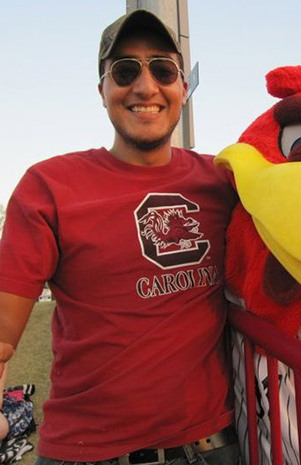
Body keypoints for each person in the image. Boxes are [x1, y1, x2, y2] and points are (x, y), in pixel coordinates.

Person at [0, 9, 239, 465]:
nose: (146, 87)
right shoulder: (49, 187)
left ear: (182, 88)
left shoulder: (224, 180)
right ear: (103, 91)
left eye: (164, 70)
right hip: (86, 453)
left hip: (211, 448)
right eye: (125, 71)